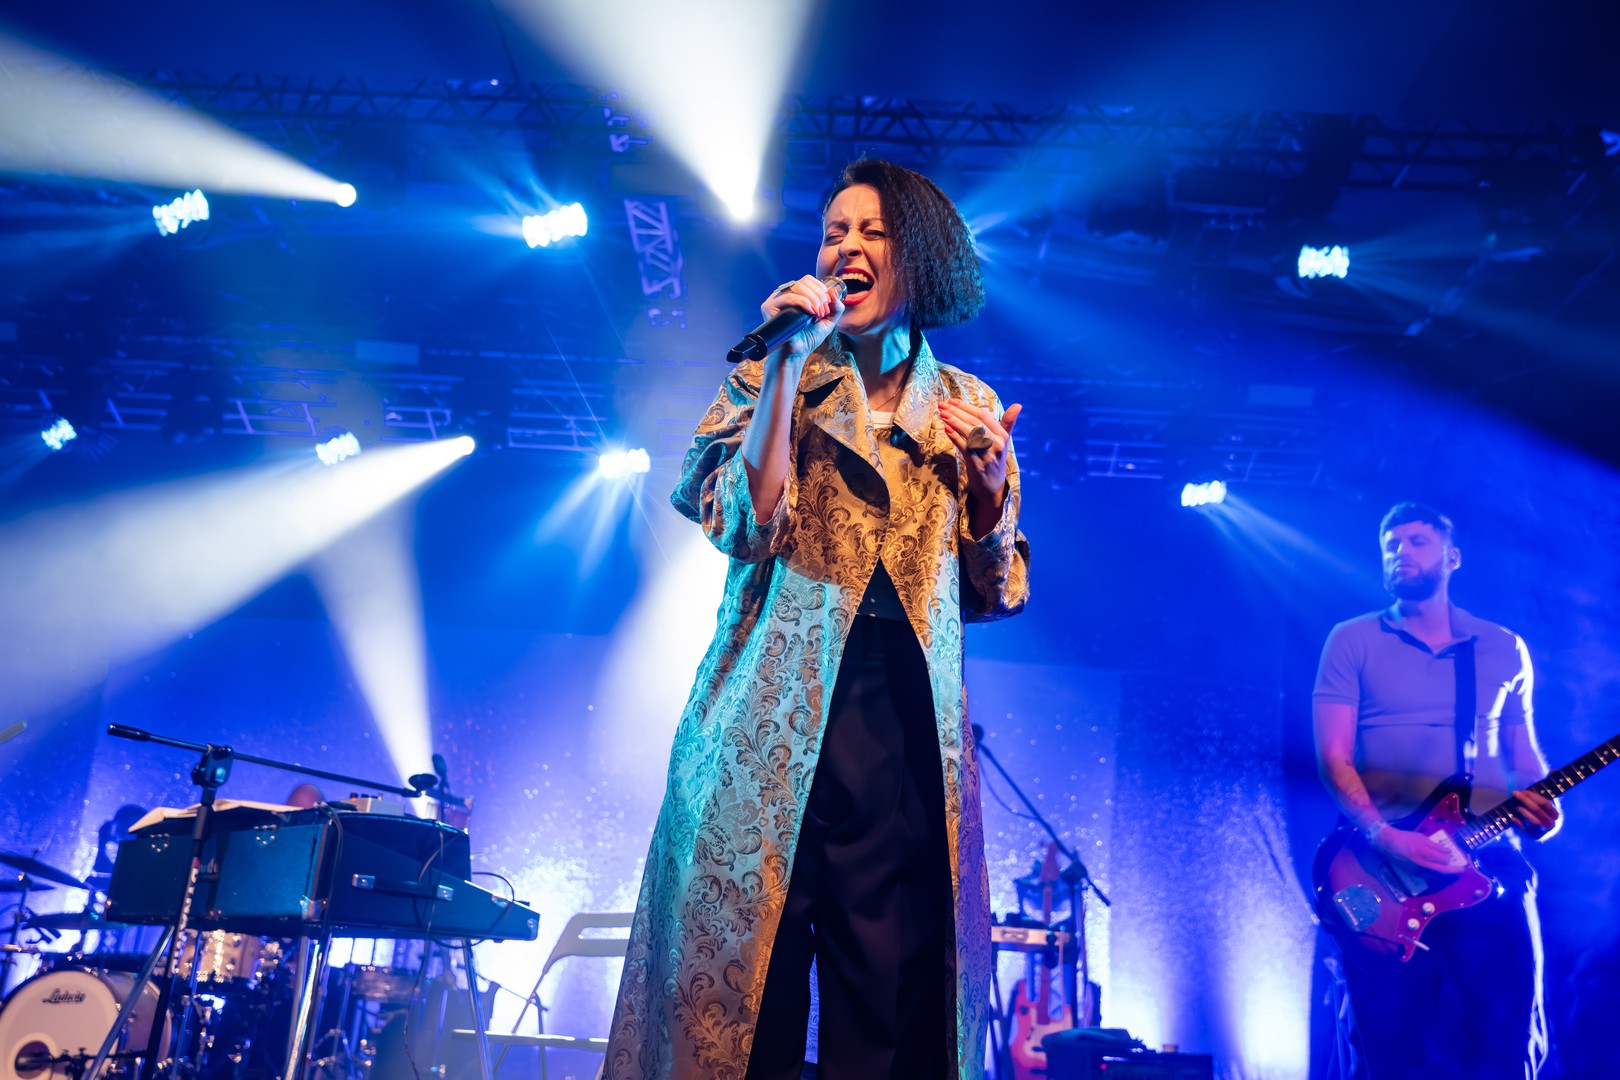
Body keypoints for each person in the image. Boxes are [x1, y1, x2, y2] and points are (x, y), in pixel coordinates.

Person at [605, 159, 1030, 1080]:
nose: (847, 247)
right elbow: (742, 526)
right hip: (768, 720)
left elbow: (996, 592)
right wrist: (786, 367)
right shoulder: (771, 374)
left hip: (900, 730)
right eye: (835, 232)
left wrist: (992, 490)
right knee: (736, 1001)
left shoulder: (965, 408)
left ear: (920, 257)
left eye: (872, 232)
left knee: (884, 1001)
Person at [1313, 502, 1560, 1080]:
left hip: (1490, 860)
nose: (1401, 552)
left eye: (1417, 542)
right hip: (1377, 865)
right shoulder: (1350, 640)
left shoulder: (1503, 646)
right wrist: (1386, 836)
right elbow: (1332, 757)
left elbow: (1524, 758)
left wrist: (1547, 814)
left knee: (1508, 1043)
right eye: (1391, 544)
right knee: (1386, 1051)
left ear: (1452, 558)